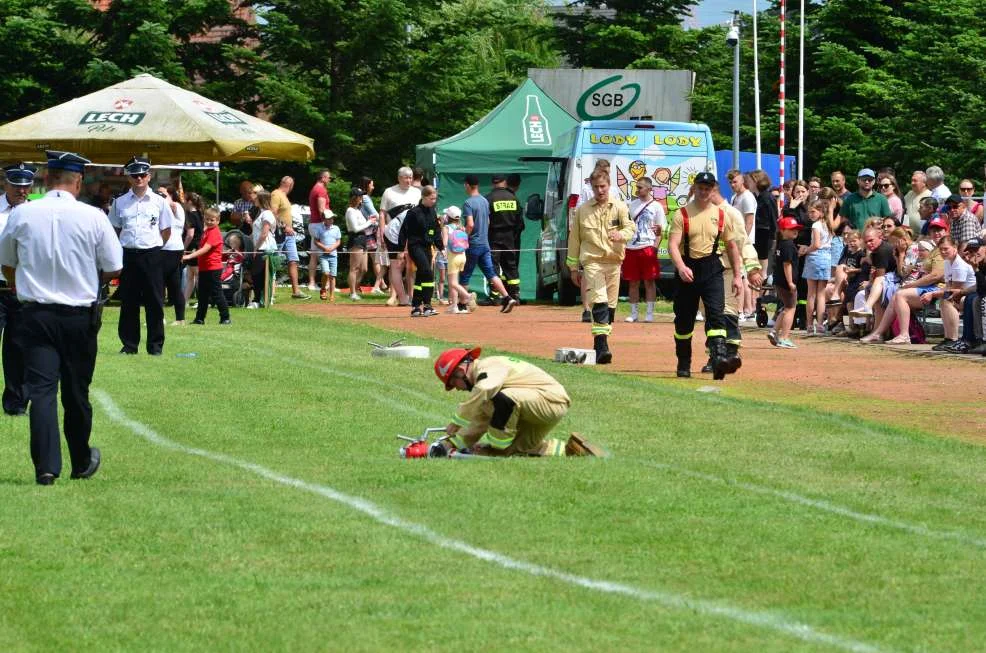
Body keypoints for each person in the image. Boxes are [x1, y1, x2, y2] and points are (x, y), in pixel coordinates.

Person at [0, 150, 123, 485]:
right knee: (76, 392)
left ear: (46, 179)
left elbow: (7, 262)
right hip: (77, 317)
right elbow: (114, 266)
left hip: (35, 312)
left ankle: (46, 467)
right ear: (78, 181)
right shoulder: (93, 216)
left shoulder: (23, 214)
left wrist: (23, 285)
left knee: (41, 391)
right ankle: (81, 459)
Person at [428, 347, 602, 458]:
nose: (457, 389)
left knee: (502, 399)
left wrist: (457, 420)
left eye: (453, 383)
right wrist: (450, 444)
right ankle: (571, 450)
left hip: (550, 401)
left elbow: (485, 390)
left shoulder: (489, 367)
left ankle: (498, 446)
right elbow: (478, 423)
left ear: (460, 371)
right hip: (538, 404)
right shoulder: (484, 383)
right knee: (515, 452)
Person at [667, 172, 742, 379]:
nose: (704, 191)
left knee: (717, 316)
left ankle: (718, 361)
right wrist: (681, 267)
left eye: (708, 188)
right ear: (695, 188)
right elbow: (672, 244)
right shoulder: (681, 214)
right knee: (684, 320)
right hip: (687, 269)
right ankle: (684, 362)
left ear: (713, 190)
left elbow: (732, 246)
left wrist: (737, 276)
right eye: (701, 187)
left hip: (712, 268)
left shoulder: (721, 215)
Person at [567, 169, 634, 364]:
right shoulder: (583, 210)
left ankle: (599, 342)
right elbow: (575, 239)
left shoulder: (620, 207)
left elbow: (630, 227)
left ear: (609, 185)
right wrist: (572, 267)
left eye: (603, 186)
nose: (600, 190)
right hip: (592, 260)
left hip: (614, 261)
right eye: (596, 187)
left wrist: (621, 235)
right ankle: (602, 345)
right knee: (600, 300)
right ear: (591, 187)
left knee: (611, 307)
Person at [109, 156, 173, 355]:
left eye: (143, 174)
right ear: (129, 177)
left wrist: (154, 246)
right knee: (129, 301)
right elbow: (115, 229)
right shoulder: (120, 203)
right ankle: (129, 345)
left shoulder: (159, 202)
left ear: (149, 176)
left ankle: (155, 346)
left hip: (152, 254)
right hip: (129, 254)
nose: (139, 178)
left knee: (155, 301)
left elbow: (166, 230)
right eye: (135, 175)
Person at [0, 163, 35, 415]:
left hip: (22, 289)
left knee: (19, 347)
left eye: (25, 186)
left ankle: (16, 402)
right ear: (5, 183)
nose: (21, 191)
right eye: (16, 185)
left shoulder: (36, 213)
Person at [461, 174, 517, 313]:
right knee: (491, 273)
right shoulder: (484, 201)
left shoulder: (468, 203)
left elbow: (470, 224)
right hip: (485, 244)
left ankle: (462, 304)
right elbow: (487, 222)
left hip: (473, 244)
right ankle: (507, 297)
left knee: (465, 275)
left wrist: (463, 238)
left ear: (467, 185)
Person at [622, 176, 665, 323]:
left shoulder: (657, 206)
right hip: (631, 247)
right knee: (632, 281)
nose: (637, 190)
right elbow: (626, 226)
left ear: (649, 188)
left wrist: (654, 247)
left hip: (647, 246)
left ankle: (649, 313)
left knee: (649, 281)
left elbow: (660, 231)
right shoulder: (632, 205)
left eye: (640, 187)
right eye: (637, 187)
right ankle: (633, 313)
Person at [396, 185, 442, 317]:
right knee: (427, 271)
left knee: (423, 274)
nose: (434, 201)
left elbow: (437, 230)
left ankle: (417, 307)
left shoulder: (432, 211)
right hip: (415, 246)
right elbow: (403, 231)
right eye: (432, 199)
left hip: (427, 247)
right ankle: (426, 305)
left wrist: (441, 246)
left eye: (435, 199)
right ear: (424, 197)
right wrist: (400, 250)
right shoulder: (414, 213)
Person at [379, 167, 421, 306]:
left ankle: (411, 296)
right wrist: (381, 232)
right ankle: (396, 296)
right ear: (399, 178)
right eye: (405, 177)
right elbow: (382, 214)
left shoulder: (417, 192)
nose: (408, 180)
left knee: (411, 266)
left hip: (413, 234)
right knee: (396, 265)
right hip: (394, 234)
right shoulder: (389, 192)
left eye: (410, 177)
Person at [183, 208, 230, 325]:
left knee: (217, 293)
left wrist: (190, 256)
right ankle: (199, 318)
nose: (209, 222)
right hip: (204, 268)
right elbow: (202, 247)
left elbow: (206, 249)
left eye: (212, 220)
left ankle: (225, 318)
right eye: (207, 219)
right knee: (202, 295)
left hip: (213, 268)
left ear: (218, 221)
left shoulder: (214, 232)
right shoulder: (207, 231)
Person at [271, 175, 309, 300]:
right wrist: (284, 226)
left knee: (293, 260)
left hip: (289, 235)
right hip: (280, 234)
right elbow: (273, 212)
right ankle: (271, 292)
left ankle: (296, 291)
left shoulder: (284, 196)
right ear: (290, 185)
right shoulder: (276, 194)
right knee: (275, 262)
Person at [486, 174, 523, 302]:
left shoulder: (489, 198)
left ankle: (494, 296)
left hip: (493, 236)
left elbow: (486, 221)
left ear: (493, 183)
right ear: (505, 182)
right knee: (510, 265)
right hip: (510, 237)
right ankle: (515, 295)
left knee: (493, 265)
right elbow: (520, 222)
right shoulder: (513, 198)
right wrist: (514, 236)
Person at [768, 216, 801, 349]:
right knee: (790, 308)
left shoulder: (782, 245)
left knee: (786, 307)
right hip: (786, 283)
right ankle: (784, 337)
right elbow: (787, 265)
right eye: (791, 229)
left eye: (796, 229)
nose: (795, 231)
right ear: (782, 231)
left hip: (780, 282)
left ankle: (774, 331)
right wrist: (791, 282)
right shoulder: (788, 245)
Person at [802, 200, 834, 335]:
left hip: (815, 257)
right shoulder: (828, 224)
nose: (811, 214)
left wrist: (805, 250)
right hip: (826, 257)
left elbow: (816, 244)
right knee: (821, 294)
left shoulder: (816, 225)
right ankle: (820, 324)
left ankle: (810, 325)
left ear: (821, 212)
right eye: (809, 212)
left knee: (811, 294)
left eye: (813, 211)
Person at [158, 185, 187, 326]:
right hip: (167, 248)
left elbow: (172, 205)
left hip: (170, 248)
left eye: (163, 194)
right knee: (173, 283)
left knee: (161, 282)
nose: (159, 196)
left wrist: (164, 199)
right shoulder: (163, 206)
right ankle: (179, 318)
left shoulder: (175, 206)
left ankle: (172, 318)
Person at [344, 187, 377, 300]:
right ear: (355, 197)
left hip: (363, 238)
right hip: (356, 239)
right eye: (359, 196)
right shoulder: (350, 211)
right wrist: (369, 222)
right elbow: (355, 228)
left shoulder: (358, 210)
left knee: (364, 268)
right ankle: (352, 292)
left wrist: (372, 223)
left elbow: (364, 226)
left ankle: (354, 290)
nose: (361, 198)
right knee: (354, 268)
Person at [249, 190, 278, 308]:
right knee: (257, 275)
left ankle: (260, 299)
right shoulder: (260, 213)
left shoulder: (267, 214)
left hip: (265, 248)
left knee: (261, 275)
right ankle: (258, 299)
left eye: (256, 198)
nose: (254, 199)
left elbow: (264, 233)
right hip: (260, 247)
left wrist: (255, 248)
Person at [359, 176, 388, 295]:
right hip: (369, 231)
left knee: (372, 259)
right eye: (371, 184)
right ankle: (380, 284)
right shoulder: (365, 198)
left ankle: (381, 284)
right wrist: (384, 223)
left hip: (369, 230)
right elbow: (374, 213)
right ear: (367, 186)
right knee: (375, 259)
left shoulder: (365, 198)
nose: (373, 187)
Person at [442, 206, 471, 314]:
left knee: (452, 283)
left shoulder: (446, 228)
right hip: (463, 256)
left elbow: (444, 243)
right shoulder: (461, 227)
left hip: (453, 257)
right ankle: (454, 305)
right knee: (455, 281)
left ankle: (467, 296)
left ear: (448, 217)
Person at [306, 170, 332, 290]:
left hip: (313, 224)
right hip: (320, 224)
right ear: (322, 178)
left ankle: (312, 283)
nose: (330, 180)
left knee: (314, 255)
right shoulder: (321, 190)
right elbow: (322, 209)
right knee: (326, 254)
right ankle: (326, 284)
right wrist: (327, 223)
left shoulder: (314, 188)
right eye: (328, 178)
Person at [182, 192, 205, 303]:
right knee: (190, 275)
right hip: (198, 246)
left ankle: (202, 300)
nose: (183, 202)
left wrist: (183, 248)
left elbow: (190, 234)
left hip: (193, 247)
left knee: (196, 274)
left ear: (189, 202)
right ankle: (185, 301)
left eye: (185, 200)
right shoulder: (200, 213)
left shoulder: (191, 215)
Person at [314, 210, 341, 301]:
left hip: (333, 255)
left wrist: (332, 248)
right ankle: (323, 289)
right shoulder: (319, 228)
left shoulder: (336, 228)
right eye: (329, 219)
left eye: (332, 218)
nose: (331, 220)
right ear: (324, 219)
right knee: (326, 273)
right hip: (323, 255)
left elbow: (338, 241)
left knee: (333, 276)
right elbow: (316, 241)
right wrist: (325, 248)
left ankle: (332, 295)